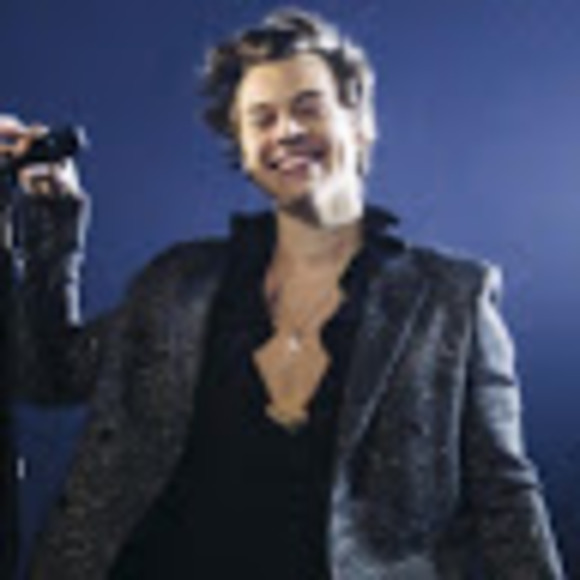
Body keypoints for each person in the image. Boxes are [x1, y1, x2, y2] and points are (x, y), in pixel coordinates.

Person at [2, 8, 565, 580]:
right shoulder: (178, 282)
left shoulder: (451, 300)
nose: (287, 131)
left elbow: (504, 497)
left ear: (360, 121)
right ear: (243, 150)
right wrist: (51, 222)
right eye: (261, 119)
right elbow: (48, 376)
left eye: (308, 107)